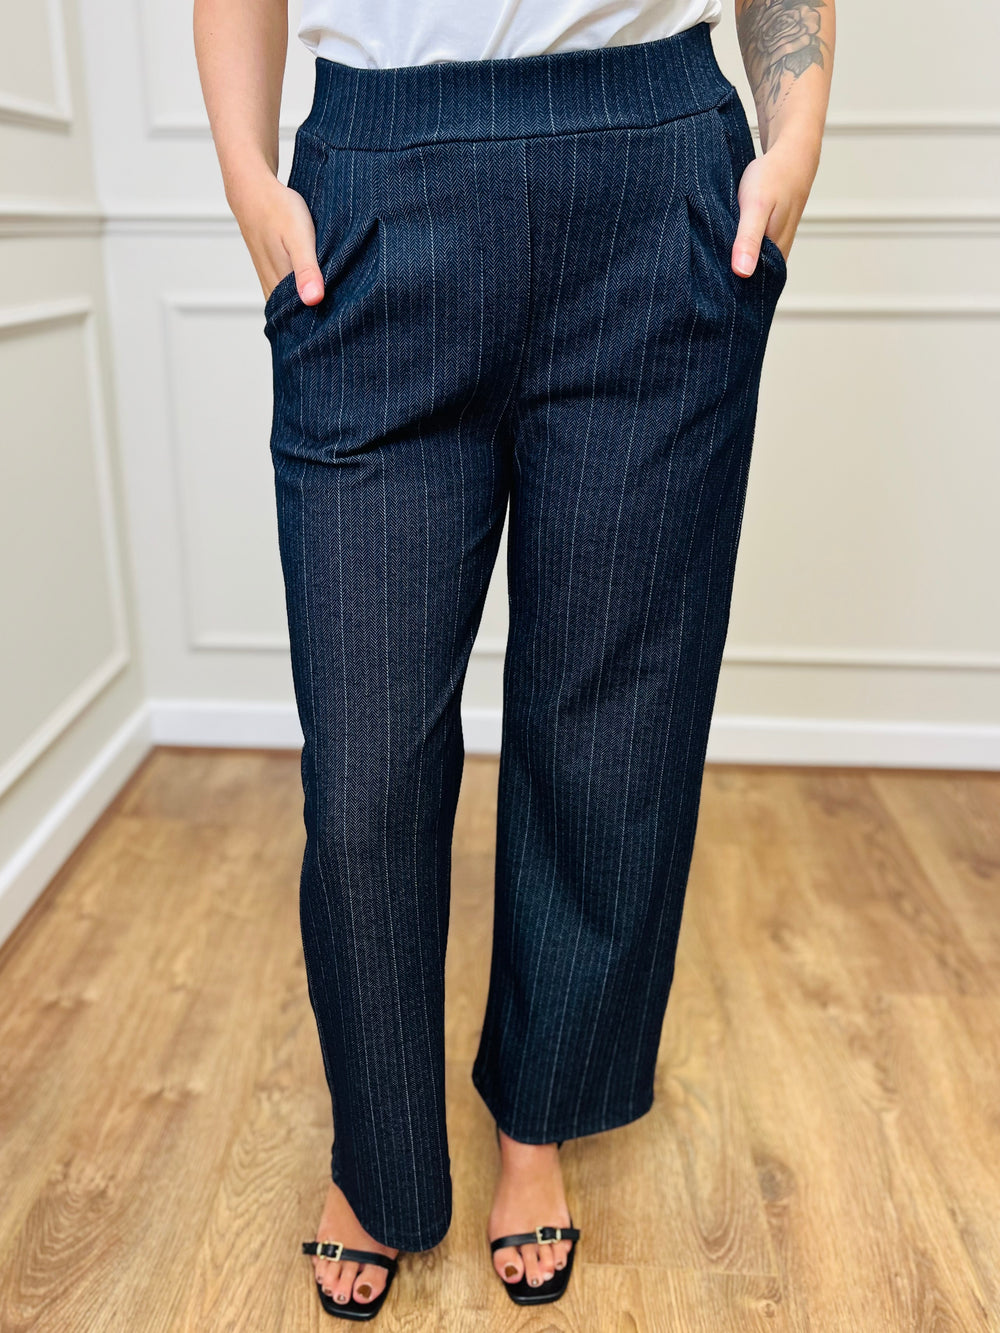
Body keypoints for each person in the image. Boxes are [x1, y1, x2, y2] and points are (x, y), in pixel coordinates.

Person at [194, 0, 834, 1319]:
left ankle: (538, 1116)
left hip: (652, 171)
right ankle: (380, 1152)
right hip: (380, 182)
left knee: (612, 732)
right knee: (365, 770)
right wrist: (250, 180)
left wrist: (797, 139)